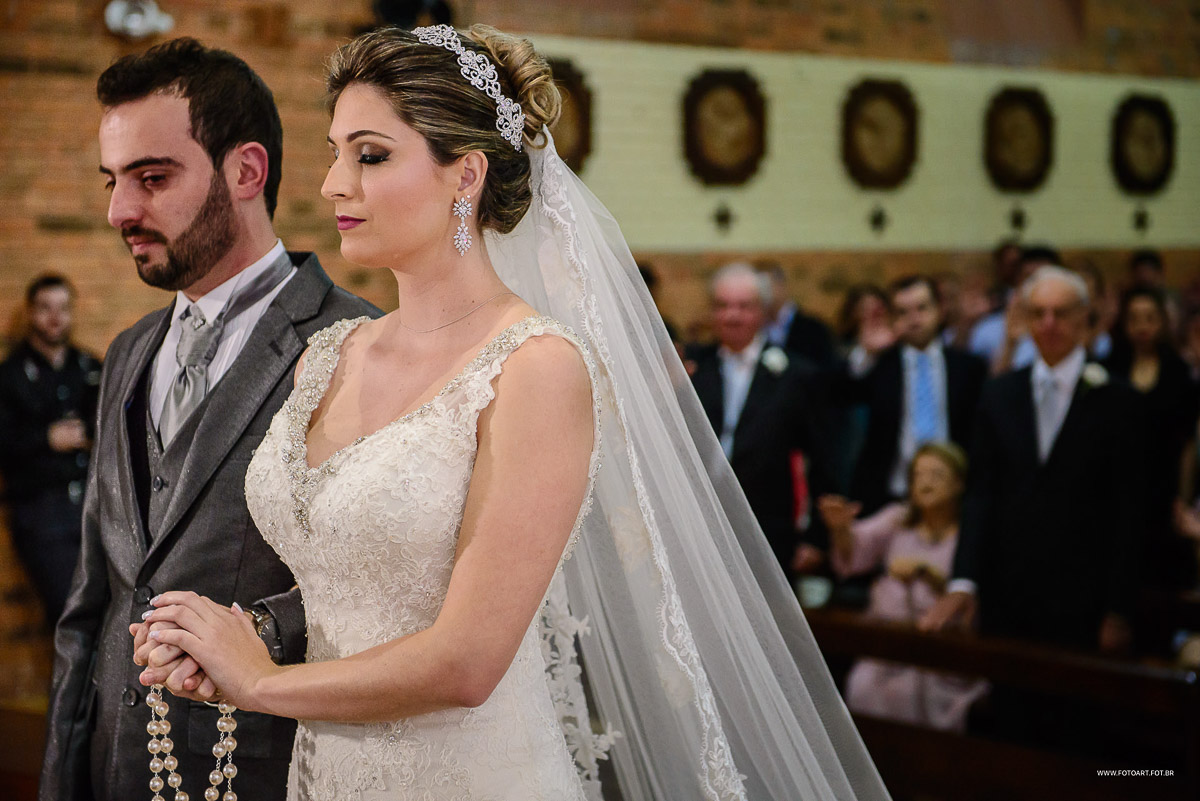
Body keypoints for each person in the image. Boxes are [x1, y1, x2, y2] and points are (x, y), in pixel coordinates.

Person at [131, 25, 891, 801]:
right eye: (334, 152)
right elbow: (341, 578)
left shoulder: (535, 368)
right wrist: (241, 635)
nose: (333, 184)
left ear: (465, 175)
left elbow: (468, 661)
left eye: (370, 154)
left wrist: (258, 683)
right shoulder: (330, 353)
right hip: (327, 774)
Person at [39, 39, 379, 801]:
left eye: (152, 178)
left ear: (246, 172)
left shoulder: (357, 342)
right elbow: (93, 599)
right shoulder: (128, 352)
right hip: (111, 766)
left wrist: (258, 632)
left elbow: (382, 587)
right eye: (114, 181)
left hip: (254, 765)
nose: (119, 211)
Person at [923, 266, 1145, 652]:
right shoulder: (999, 393)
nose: (1048, 323)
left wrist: (1119, 608)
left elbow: (1131, 510)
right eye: (1038, 313)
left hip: (1084, 595)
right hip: (1007, 589)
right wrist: (964, 580)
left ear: (1084, 318)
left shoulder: (1119, 400)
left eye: (1060, 313)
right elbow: (981, 493)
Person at [820, 442, 986, 732]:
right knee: (863, 687)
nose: (925, 482)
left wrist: (928, 575)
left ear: (959, 482)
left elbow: (972, 590)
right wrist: (841, 528)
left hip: (941, 656)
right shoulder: (898, 518)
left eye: (936, 474)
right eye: (918, 474)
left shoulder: (970, 533)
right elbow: (855, 552)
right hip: (886, 647)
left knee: (911, 697)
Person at [690, 262, 834, 576]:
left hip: (769, 528)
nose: (732, 316)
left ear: (764, 311)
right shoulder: (692, 370)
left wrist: (816, 539)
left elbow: (822, 458)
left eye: (744, 306)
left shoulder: (796, 375)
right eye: (723, 306)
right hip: (699, 524)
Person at [0, 274, 101, 626]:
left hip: (94, 507)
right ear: (30, 313)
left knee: (109, 613)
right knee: (69, 617)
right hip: (41, 513)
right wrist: (46, 438)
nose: (55, 317)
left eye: (63, 308)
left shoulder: (90, 367)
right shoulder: (9, 376)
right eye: (45, 308)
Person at [847, 275, 986, 515]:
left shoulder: (968, 367)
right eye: (903, 312)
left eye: (922, 308)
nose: (914, 319)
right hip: (892, 496)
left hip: (956, 496)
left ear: (940, 310)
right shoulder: (880, 366)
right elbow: (838, 394)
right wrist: (866, 354)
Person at [1104, 286, 1199, 591]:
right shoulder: (1109, 367)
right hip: (1116, 483)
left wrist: (1182, 498)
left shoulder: (1178, 372)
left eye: (1150, 318)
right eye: (1134, 318)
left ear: (1162, 322)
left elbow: (1186, 444)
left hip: (1162, 483)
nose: (1142, 326)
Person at [762, 261, 838, 369]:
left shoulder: (814, 329)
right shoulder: (754, 329)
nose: (760, 294)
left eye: (764, 287)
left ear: (781, 285)